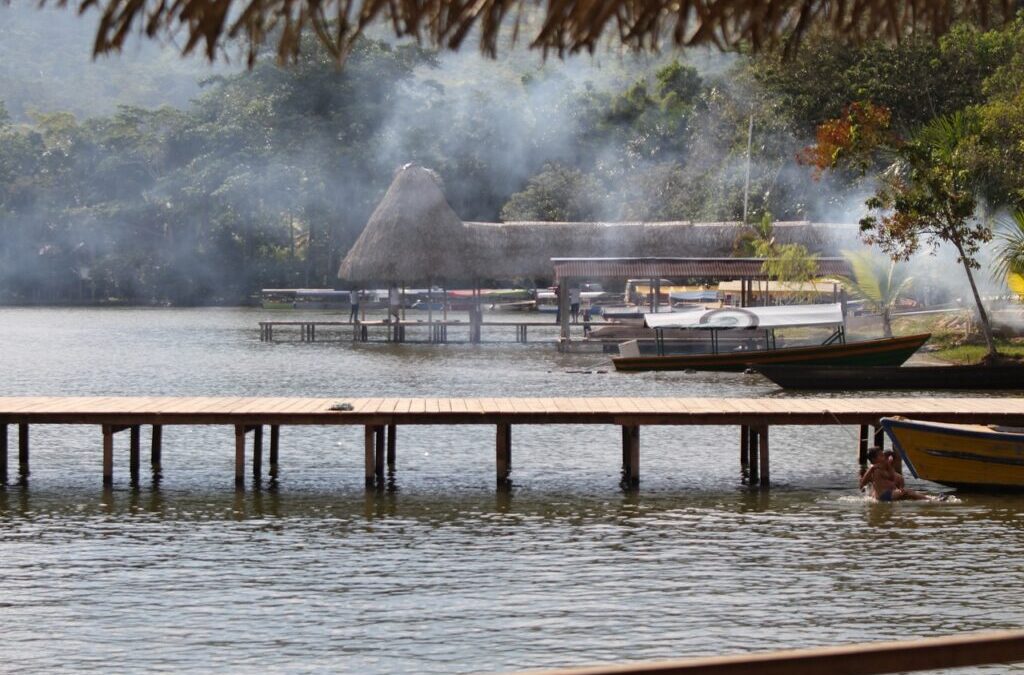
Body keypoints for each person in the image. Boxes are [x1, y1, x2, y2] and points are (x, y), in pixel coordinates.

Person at [859, 446, 928, 501]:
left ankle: (927, 499)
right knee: (908, 492)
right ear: (874, 459)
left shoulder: (885, 468)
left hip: (889, 494)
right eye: (881, 456)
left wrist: (889, 465)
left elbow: (893, 478)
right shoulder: (875, 469)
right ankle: (929, 500)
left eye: (883, 455)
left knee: (908, 495)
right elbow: (862, 483)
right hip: (883, 496)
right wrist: (871, 469)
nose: (884, 458)